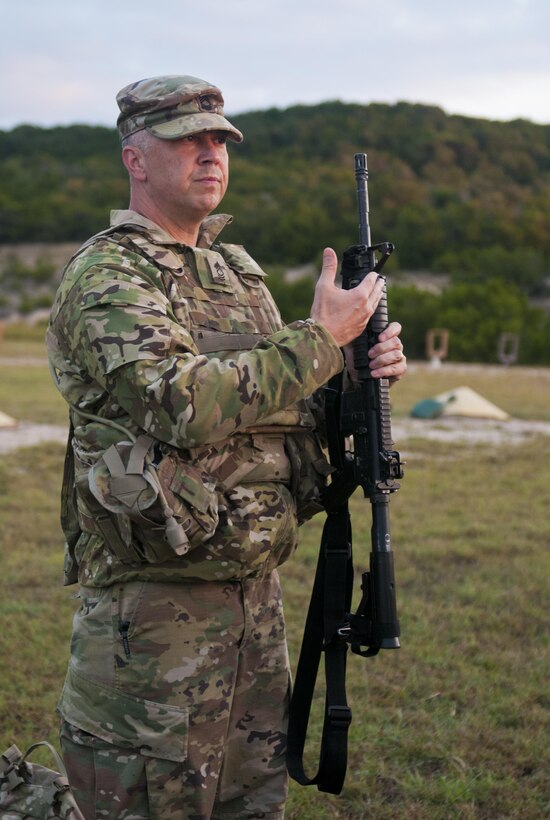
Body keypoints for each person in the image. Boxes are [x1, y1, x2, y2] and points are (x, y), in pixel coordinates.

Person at [47, 74, 407, 820]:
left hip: (255, 610)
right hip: (152, 626)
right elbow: (181, 402)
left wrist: (352, 373)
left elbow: (282, 405)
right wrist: (320, 340)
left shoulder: (236, 275)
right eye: (187, 138)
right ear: (136, 160)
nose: (210, 153)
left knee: (252, 805)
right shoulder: (108, 276)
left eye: (219, 138)